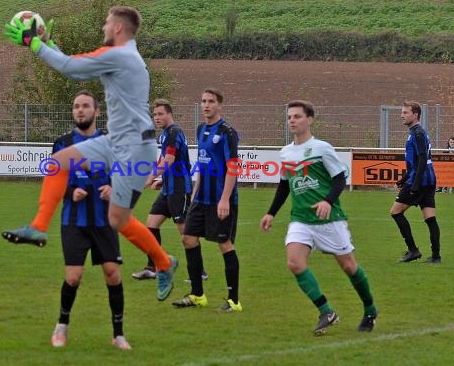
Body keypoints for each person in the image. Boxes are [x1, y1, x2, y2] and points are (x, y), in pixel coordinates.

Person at [2, 6, 178, 301]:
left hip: (135, 147)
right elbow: (74, 65)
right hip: (117, 141)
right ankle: (38, 228)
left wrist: (34, 44)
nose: (103, 28)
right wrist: (47, 44)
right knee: (58, 162)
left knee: (117, 220)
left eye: (107, 24)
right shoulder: (122, 56)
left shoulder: (120, 56)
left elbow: (71, 68)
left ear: (119, 28)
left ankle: (163, 262)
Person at [259, 100, 377, 334]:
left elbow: (340, 179)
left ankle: (370, 309)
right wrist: (271, 213)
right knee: (294, 262)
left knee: (349, 266)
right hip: (301, 219)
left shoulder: (322, 148)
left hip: (329, 219)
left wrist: (327, 201)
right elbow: (284, 186)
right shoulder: (286, 153)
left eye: (297, 116)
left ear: (310, 119)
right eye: (290, 117)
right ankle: (326, 311)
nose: (292, 120)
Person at [50, 90, 130, 350]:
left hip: (104, 220)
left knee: (112, 274)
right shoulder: (62, 144)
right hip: (74, 220)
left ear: (96, 111)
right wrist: (69, 191)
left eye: (85, 106)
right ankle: (61, 326)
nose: (80, 110)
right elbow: (53, 180)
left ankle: (118, 334)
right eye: (76, 106)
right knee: (73, 277)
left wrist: (112, 188)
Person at [172, 88, 242, 312]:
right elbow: (202, 165)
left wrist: (224, 200)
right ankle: (197, 295)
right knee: (188, 239)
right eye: (203, 101)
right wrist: (194, 191)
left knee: (224, 244)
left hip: (220, 199)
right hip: (201, 198)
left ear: (219, 105)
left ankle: (234, 300)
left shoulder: (228, 132)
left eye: (211, 101)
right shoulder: (201, 129)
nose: (206, 105)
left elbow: (233, 168)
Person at [131, 99, 208, 281]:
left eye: (160, 114)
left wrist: (150, 177)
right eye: (155, 114)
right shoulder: (165, 134)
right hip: (168, 189)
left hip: (179, 189)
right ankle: (153, 268)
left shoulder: (173, 132)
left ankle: (200, 271)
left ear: (169, 114)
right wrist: (160, 179)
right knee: (151, 225)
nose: (157, 118)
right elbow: (164, 159)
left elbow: (170, 160)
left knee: (185, 233)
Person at [390, 101, 441, 263]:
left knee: (396, 212)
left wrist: (414, 185)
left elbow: (421, 159)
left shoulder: (417, 133)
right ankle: (435, 256)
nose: (402, 115)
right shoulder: (417, 132)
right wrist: (403, 179)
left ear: (416, 115)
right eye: (402, 112)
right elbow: (417, 161)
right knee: (430, 218)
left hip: (420, 181)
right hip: (428, 180)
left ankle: (413, 250)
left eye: (405, 113)